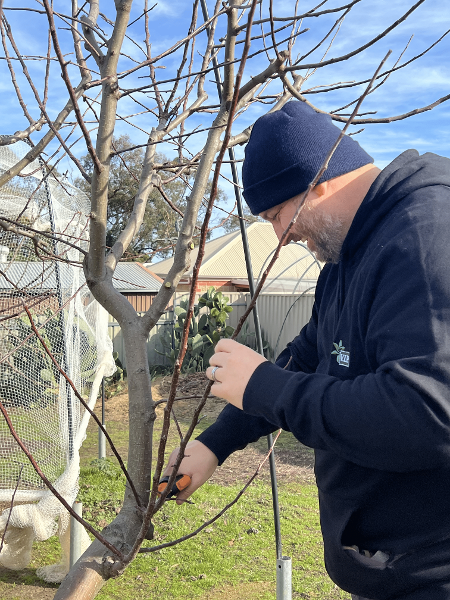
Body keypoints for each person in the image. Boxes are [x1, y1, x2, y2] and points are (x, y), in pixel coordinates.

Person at [162, 101, 450, 600]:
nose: (282, 235)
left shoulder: (425, 236)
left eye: (277, 214)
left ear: (319, 181)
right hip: (388, 567)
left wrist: (265, 388)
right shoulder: (347, 255)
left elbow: (426, 413)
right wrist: (216, 442)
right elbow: (312, 353)